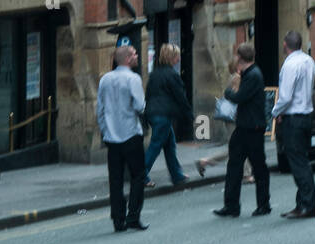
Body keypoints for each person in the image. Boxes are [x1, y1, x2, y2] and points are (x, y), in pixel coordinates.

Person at [213, 42, 270, 218]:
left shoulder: (253, 75)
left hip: (252, 128)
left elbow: (239, 97)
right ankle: (231, 205)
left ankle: (263, 205)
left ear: (239, 57)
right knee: (234, 165)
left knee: (258, 167)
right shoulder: (250, 73)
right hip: (245, 126)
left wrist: (228, 93)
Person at [96, 44, 148, 233]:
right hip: (131, 135)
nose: (136, 56)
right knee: (138, 176)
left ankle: (118, 220)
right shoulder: (133, 79)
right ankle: (133, 216)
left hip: (112, 138)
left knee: (115, 180)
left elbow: (100, 110)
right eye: (134, 54)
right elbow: (140, 106)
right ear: (127, 59)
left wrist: (105, 130)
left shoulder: (105, 79)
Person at [272, 28, 315, 219]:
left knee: (298, 164)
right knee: (303, 161)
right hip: (307, 115)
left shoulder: (290, 65)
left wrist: (275, 112)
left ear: (285, 45)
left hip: (294, 119)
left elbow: (286, 96)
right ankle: (303, 204)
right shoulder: (309, 61)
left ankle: (307, 206)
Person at [196, 57, 254, 182]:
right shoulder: (237, 78)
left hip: (232, 118)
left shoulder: (232, 78)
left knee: (238, 147)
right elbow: (239, 98)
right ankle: (246, 174)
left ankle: (205, 162)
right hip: (235, 118)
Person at [144, 43, 194, 187]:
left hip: (153, 114)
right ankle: (141, 175)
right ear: (172, 58)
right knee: (155, 146)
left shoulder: (154, 74)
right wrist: (190, 115)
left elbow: (148, 95)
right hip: (163, 115)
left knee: (170, 144)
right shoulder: (172, 75)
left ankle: (176, 175)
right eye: (177, 56)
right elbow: (181, 97)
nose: (179, 59)